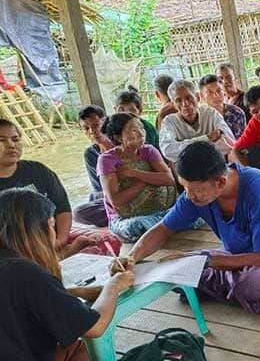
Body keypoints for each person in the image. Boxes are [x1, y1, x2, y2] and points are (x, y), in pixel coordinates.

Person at [0, 189, 162, 361]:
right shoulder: (24, 272)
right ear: (34, 231)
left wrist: (97, 288)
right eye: (52, 228)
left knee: (77, 350)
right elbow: (95, 327)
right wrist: (114, 286)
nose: (54, 239)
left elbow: (44, 299)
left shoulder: (11, 269)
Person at [126, 142, 260, 313]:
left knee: (251, 286)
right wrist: (131, 258)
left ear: (221, 182)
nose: (189, 196)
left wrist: (205, 261)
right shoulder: (195, 194)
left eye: (193, 190)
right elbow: (163, 228)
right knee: (173, 269)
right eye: (184, 188)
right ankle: (226, 283)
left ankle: (221, 284)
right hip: (232, 254)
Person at [0, 119, 118, 259]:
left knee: (109, 242)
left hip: (52, 240)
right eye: (2, 140)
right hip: (11, 251)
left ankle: (60, 254)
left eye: (15, 139)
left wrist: (60, 241)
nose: (11, 145)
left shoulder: (38, 171)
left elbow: (62, 208)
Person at [98, 113, 177, 242]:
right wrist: (145, 182)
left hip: (159, 210)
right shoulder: (107, 160)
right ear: (118, 137)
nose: (141, 133)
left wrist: (133, 173)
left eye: (141, 127)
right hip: (126, 219)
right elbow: (116, 201)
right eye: (134, 130)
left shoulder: (149, 150)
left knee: (193, 210)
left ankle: (164, 224)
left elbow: (169, 180)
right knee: (138, 225)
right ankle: (165, 225)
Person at [159, 79, 235, 163]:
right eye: (178, 100)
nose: (185, 104)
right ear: (174, 105)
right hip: (188, 172)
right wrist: (207, 138)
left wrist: (184, 150)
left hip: (215, 166)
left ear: (198, 98)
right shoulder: (169, 122)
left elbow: (229, 141)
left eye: (188, 98)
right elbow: (167, 150)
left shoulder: (210, 114)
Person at [74, 105, 114, 228]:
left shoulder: (121, 143)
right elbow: (99, 190)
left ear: (105, 121)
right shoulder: (91, 154)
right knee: (78, 213)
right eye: (86, 128)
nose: (92, 131)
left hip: (133, 193)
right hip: (113, 198)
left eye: (96, 125)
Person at [198, 73, 247, 139]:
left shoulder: (237, 113)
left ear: (223, 91)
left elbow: (243, 141)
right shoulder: (199, 117)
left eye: (219, 90)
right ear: (202, 96)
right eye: (210, 92)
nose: (216, 96)